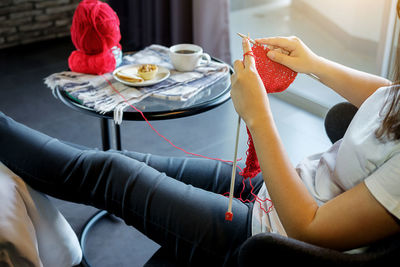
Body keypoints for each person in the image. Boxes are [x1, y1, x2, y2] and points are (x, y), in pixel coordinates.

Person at [2, 11, 400, 267]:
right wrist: (313, 64)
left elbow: (309, 229)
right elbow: (387, 95)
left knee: (111, 171)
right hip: (283, 190)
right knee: (136, 163)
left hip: (271, 238)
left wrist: (259, 117)